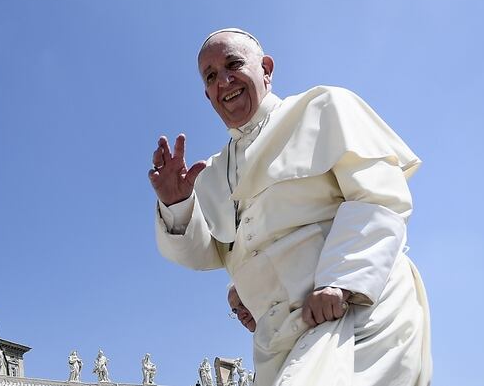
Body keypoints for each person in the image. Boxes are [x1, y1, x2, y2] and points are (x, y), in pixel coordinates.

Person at [149, 28, 431, 386]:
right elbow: (208, 254)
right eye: (211, 76)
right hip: (278, 339)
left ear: (266, 69)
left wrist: (339, 282)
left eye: (233, 64)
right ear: (207, 95)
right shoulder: (212, 173)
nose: (224, 80)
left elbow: (378, 197)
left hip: (350, 310)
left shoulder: (322, 107)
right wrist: (177, 204)